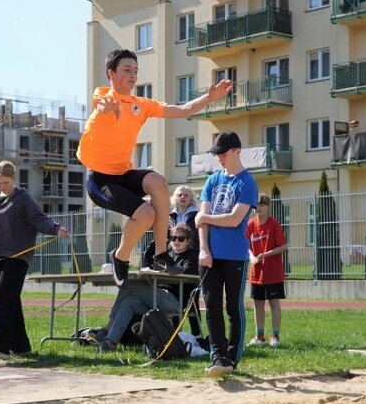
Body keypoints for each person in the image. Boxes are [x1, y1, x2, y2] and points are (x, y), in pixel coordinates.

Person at [76, 48, 233, 289]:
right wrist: (106, 107)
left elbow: (182, 110)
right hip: (100, 180)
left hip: (123, 174)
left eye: (136, 71)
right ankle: (120, 256)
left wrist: (209, 98)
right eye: (127, 70)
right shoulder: (103, 95)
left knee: (158, 182)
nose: (133, 75)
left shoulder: (141, 104)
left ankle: (161, 255)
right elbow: (101, 104)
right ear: (111, 73)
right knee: (146, 215)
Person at [0, 161, 69, 361]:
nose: (1, 186)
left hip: (18, 257)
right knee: (11, 300)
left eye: (5, 182)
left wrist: (56, 229)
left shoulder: (23, 199)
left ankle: (0, 347)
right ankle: (21, 346)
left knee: (5, 299)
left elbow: (39, 219)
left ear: (13, 179)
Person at [196, 131, 258, 376]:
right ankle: (218, 357)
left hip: (234, 256)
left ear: (237, 151)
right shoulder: (212, 181)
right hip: (209, 256)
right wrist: (203, 248)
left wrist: (205, 217)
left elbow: (234, 219)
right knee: (211, 307)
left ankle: (232, 358)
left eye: (223, 153)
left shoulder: (247, 183)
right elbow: (202, 223)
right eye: (217, 154)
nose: (220, 158)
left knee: (233, 307)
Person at [144, 223, 201, 336]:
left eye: (181, 239)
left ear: (188, 241)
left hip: (179, 298)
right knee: (132, 298)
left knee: (133, 292)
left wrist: (164, 272)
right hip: (162, 293)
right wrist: (156, 242)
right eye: (173, 238)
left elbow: (184, 275)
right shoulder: (167, 255)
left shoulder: (192, 256)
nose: (176, 242)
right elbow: (149, 264)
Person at [247, 193, 288, 348]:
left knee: (274, 303)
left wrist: (266, 254)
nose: (258, 208)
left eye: (262, 205)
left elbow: (283, 246)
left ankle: (275, 337)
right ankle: (259, 336)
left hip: (273, 272)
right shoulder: (250, 224)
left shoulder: (273, 224)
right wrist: (251, 256)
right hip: (256, 273)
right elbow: (246, 245)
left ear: (267, 207)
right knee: (258, 304)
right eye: (256, 205)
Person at [98, 280, 180, 352]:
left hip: (171, 300)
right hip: (151, 298)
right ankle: (110, 342)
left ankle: (106, 329)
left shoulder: (174, 263)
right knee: (129, 301)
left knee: (128, 283)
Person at [169, 185, 200, 251]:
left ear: (191, 199)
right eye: (180, 195)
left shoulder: (198, 216)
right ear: (176, 198)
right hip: (173, 255)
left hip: (193, 254)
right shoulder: (170, 217)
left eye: (186, 195)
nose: (183, 197)